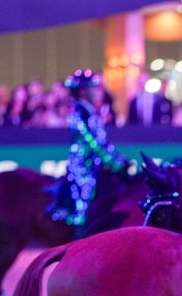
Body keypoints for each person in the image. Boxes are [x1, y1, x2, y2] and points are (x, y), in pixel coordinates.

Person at [47, 70, 129, 236]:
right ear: (84, 91)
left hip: (95, 163)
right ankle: (80, 232)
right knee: (86, 193)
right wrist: (114, 162)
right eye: (94, 88)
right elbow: (93, 143)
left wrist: (117, 158)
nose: (98, 92)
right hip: (84, 166)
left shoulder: (90, 111)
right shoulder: (79, 112)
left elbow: (103, 142)